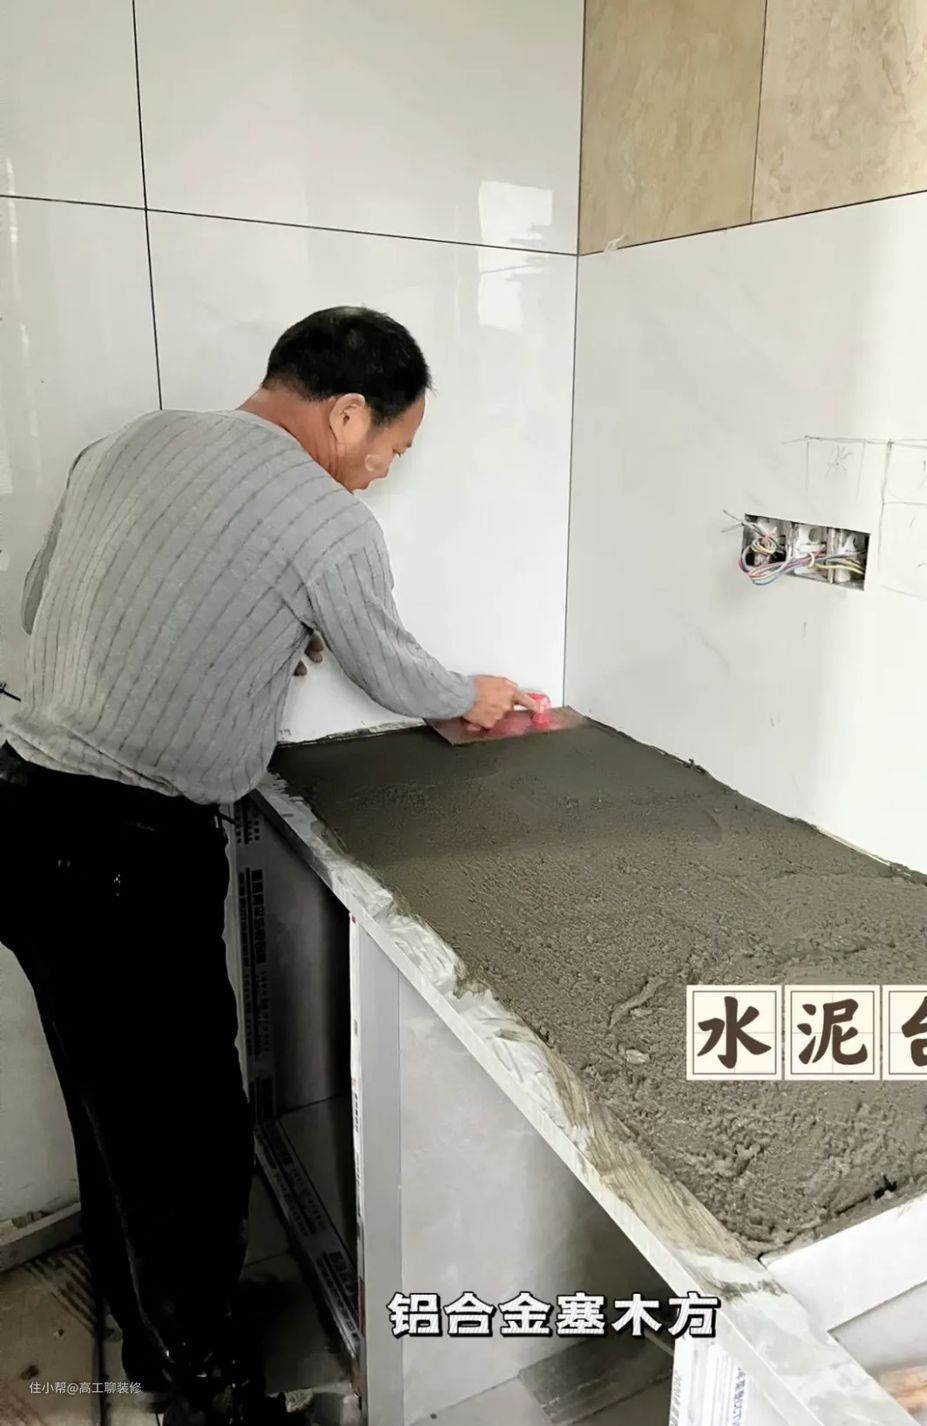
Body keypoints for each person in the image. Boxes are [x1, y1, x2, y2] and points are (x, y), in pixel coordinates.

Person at [0, 307, 534, 1425]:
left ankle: (162, 1339)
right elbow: (393, 671)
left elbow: (40, 608)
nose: (382, 473)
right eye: (392, 448)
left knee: (115, 1119)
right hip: (123, 858)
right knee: (189, 1145)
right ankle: (213, 1397)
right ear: (347, 414)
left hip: (22, 817)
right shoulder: (325, 518)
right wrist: (473, 694)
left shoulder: (125, 445)